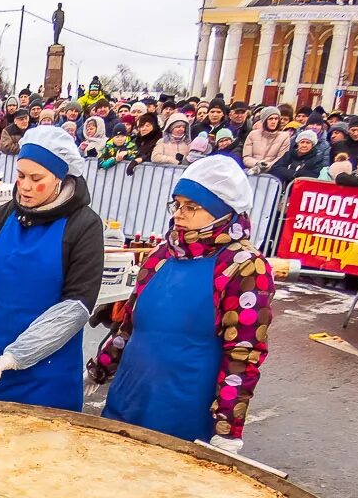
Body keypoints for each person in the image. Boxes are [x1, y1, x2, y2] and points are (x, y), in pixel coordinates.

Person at [95, 155, 272, 450]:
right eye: (177, 204)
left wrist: (228, 428)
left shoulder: (243, 265)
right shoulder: (162, 254)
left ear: (222, 213)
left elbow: (243, 354)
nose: (179, 214)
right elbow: (128, 327)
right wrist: (99, 368)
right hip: (128, 397)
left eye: (192, 207)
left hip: (184, 409)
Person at [0, 125, 104, 409]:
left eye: (37, 178)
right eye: (20, 176)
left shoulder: (83, 225)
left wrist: (16, 357)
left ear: (60, 179)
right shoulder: (1, 216)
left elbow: (75, 306)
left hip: (47, 377)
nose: (25, 186)